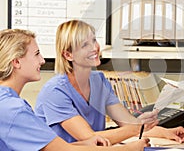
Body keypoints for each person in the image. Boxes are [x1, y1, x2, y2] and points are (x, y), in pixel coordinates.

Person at [34, 20, 184, 145]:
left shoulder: (98, 81)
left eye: (94, 40)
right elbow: (89, 139)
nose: (95, 48)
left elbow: (128, 124)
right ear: (68, 55)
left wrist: (167, 133)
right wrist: (137, 127)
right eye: (84, 45)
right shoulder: (54, 92)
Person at [0, 28, 150, 151]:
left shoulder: (9, 103)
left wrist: (85, 144)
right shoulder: (14, 109)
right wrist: (129, 148)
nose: (43, 60)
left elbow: (51, 147)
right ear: (16, 62)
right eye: (36, 54)